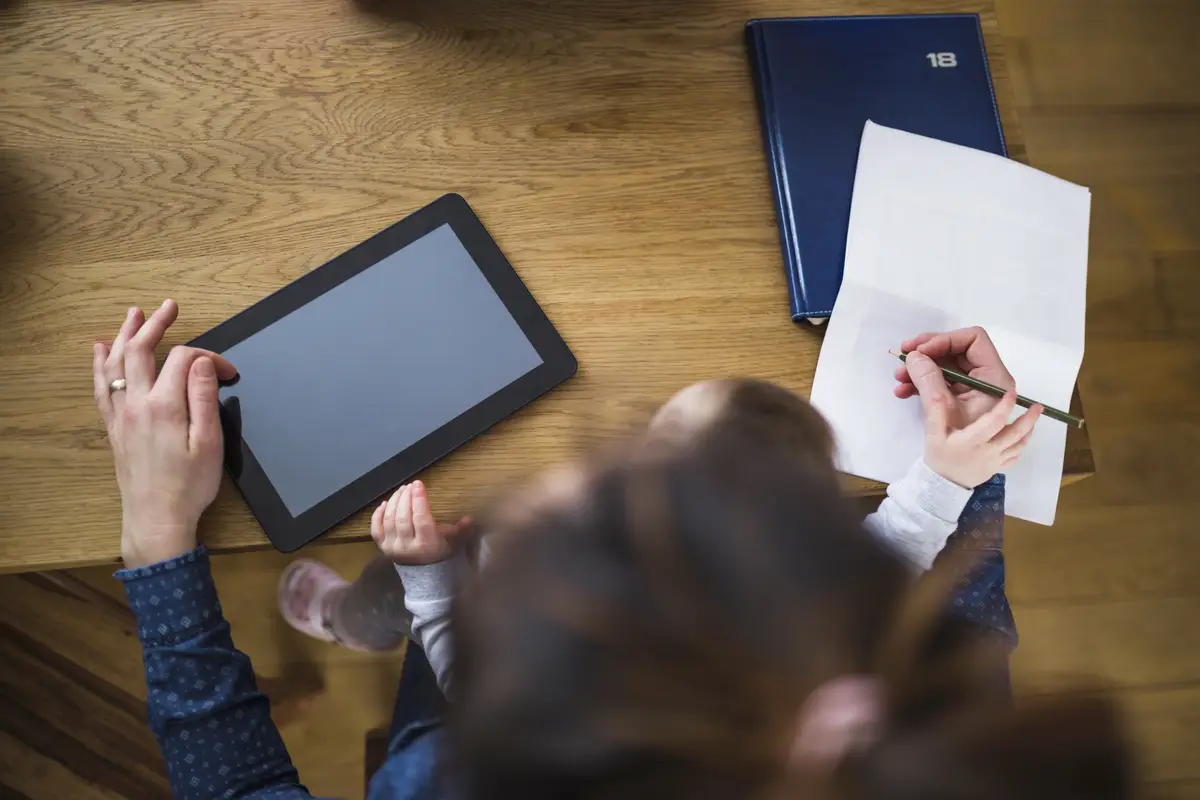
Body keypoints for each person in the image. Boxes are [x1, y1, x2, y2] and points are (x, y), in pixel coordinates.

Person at [95, 300, 1125, 799]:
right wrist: (971, 464)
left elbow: (236, 792)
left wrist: (156, 532)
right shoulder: (930, 715)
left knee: (418, 609)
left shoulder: (448, 772)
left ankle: (383, 616)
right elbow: (950, 601)